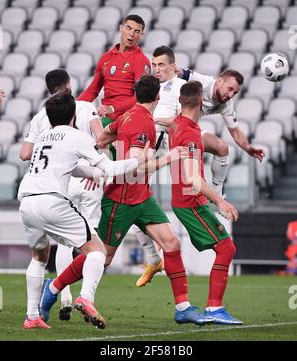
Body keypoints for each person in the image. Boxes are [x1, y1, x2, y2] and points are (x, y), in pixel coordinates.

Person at [40, 74, 214, 326]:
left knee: (172, 243)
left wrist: (105, 154)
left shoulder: (130, 115)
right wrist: (171, 157)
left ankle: (183, 307)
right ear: (158, 97)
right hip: (121, 200)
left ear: (137, 95)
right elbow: (135, 168)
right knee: (103, 257)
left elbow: (103, 137)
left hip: (141, 197)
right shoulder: (142, 123)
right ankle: (53, 288)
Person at [19, 90, 150, 329]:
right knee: (97, 251)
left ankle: (32, 317)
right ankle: (85, 297)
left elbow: (73, 168)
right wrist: (137, 161)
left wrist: (96, 172)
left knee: (39, 257)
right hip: (52, 201)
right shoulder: (75, 136)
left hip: (27, 201)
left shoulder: (44, 137)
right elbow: (109, 167)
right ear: (74, 115)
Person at [20, 69, 104, 321]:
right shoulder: (85, 106)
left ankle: (61, 296)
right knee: (92, 245)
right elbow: (100, 138)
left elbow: (24, 154)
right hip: (83, 180)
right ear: (69, 85)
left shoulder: (39, 117)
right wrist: (95, 168)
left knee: (55, 247)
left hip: (48, 185)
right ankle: (85, 296)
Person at [169, 80, 242, 324]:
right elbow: (193, 178)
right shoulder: (190, 134)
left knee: (175, 247)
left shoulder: (177, 124)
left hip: (182, 199)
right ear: (201, 102)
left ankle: (189, 306)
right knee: (226, 248)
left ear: (180, 101)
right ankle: (214, 308)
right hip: (191, 201)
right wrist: (220, 201)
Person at [134, 46, 186, 287]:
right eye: (154, 65)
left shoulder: (179, 89)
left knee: (132, 200)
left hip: (158, 146)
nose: (157, 69)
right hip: (142, 143)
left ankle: (155, 258)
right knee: (132, 201)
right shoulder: (152, 87)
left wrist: (151, 119)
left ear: (173, 66)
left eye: (162, 65)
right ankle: (154, 259)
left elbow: (180, 122)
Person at [177, 68, 265, 198]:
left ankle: (217, 195)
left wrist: (247, 148)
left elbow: (235, 131)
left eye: (235, 93)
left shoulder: (226, 104)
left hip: (186, 131)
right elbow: (178, 71)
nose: (230, 95)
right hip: (166, 126)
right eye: (230, 89)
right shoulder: (202, 82)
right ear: (219, 81)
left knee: (222, 147)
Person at [78, 14, 151, 158]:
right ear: (121, 28)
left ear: (141, 35)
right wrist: (73, 107)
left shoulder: (141, 61)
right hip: (105, 119)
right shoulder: (106, 58)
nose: (131, 34)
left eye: (137, 31)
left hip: (125, 119)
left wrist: (112, 108)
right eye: (128, 28)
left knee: (114, 166)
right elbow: (92, 91)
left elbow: (141, 98)